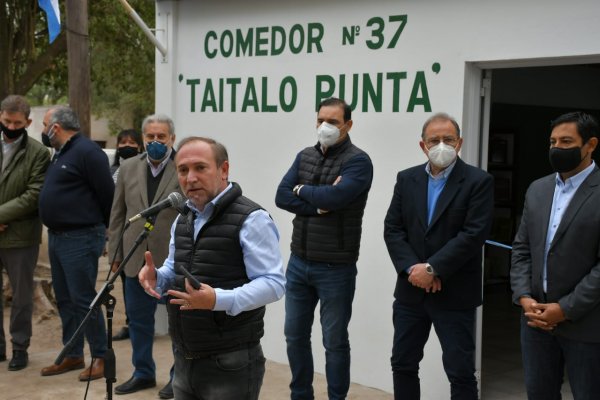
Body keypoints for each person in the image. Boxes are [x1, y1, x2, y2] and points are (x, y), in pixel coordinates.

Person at [138, 136, 286, 400]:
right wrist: (157, 277)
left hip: (230, 361)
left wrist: (217, 300)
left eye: (200, 168)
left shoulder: (252, 219)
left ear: (224, 170)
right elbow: (175, 267)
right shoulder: (182, 218)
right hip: (183, 358)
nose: (190, 177)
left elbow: (273, 284)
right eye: (183, 170)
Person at [383, 112, 494, 400]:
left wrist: (433, 269)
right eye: (434, 140)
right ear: (423, 145)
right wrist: (413, 270)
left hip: (455, 293)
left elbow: (473, 234)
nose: (441, 145)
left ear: (460, 143)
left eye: (448, 139)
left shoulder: (478, 181)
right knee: (403, 364)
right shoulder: (406, 179)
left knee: (460, 372)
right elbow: (393, 229)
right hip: (411, 291)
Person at [275, 97, 373, 400]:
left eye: (333, 121)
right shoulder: (304, 155)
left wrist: (303, 190)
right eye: (321, 120)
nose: (325, 127)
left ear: (348, 125)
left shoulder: (358, 161)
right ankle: (300, 394)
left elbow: (336, 198)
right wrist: (317, 206)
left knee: (334, 341)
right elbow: (281, 196)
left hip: (336, 267)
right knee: (294, 337)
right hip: (299, 263)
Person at [511, 111, 600, 400]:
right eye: (552, 142)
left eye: (566, 141)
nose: (557, 148)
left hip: (587, 326)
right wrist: (525, 297)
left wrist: (564, 309)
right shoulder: (538, 189)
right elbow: (522, 249)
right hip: (536, 322)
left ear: (590, 145)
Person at [38, 105, 114, 381]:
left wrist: (106, 234)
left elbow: (108, 196)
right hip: (59, 237)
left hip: (80, 238)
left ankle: (101, 357)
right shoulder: (60, 153)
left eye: (44, 124)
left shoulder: (88, 152)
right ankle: (72, 354)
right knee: (65, 299)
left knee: (84, 300)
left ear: (55, 127)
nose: (43, 130)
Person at [107, 115, 180, 397]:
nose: (155, 142)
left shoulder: (182, 167)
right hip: (135, 256)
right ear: (143, 138)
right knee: (138, 320)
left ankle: (179, 377)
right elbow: (117, 214)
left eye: (162, 137)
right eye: (150, 137)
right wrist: (115, 253)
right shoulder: (127, 167)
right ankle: (143, 372)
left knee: (178, 323)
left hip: (173, 258)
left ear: (172, 139)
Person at [0, 95, 50, 371]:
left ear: (27, 122)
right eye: (7, 121)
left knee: (21, 296)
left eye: (17, 123)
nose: (11, 126)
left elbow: (33, 195)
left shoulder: (39, 153)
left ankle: (20, 347)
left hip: (20, 236)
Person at [109, 129, 144, 343]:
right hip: (121, 235)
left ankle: (141, 324)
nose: (127, 145)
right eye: (123, 142)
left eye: (132, 142)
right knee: (126, 283)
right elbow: (115, 209)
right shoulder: (112, 169)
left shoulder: (142, 170)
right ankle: (131, 323)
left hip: (142, 236)